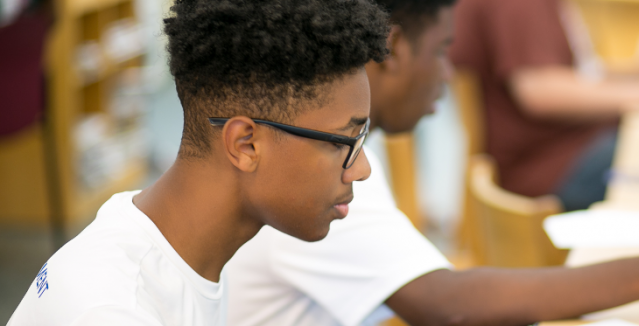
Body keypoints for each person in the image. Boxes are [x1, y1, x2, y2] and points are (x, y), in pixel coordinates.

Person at [224, 1, 639, 325]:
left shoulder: (340, 154)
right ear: (394, 51)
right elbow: (443, 303)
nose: (448, 73)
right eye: (443, 51)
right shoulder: (309, 172)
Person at [6, 0, 388, 324]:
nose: (361, 169)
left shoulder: (180, 259)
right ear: (245, 144)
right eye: (346, 141)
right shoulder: (116, 309)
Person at [449, 0, 639, 211]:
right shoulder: (520, 6)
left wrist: (634, 74)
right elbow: (541, 91)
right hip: (546, 171)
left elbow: (567, 72)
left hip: (567, 148)